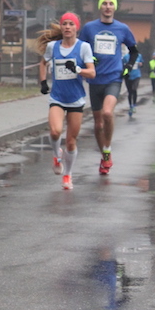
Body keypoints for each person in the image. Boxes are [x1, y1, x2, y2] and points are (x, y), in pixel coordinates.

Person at [79, 0, 138, 175]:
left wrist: (128, 66)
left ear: (114, 8)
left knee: (107, 113)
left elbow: (134, 51)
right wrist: (88, 60)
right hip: (95, 79)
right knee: (98, 124)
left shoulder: (122, 28)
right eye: (104, 3)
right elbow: (80, 49)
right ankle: (105, 154)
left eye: (111, 4)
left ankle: (107, 148)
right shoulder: (89, 28)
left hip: (114, 78)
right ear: (100, 7)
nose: (107, 6)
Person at [38, 12, 95, 189]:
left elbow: (92, 72)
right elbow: (43, 63)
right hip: (57, 97)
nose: (67, 27)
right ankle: (57, 155)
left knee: (71, 141)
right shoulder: (53, 47)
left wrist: (77, 69)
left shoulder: (83, 47)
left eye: (71, 24)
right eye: (65, 24)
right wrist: (43, 82)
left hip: (76, 99)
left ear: (77, 27)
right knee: (55, 131)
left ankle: (68, 175)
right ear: (61, 27)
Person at [122, 46, 143, 116]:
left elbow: (142, 63)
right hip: (128, 76)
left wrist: (141, 64)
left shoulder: (139, 56)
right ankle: (130, 105)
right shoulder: (125, 57)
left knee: (134, 89)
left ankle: (134, 105)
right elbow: (122, 65)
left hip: (137, 75)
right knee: (130, 92)